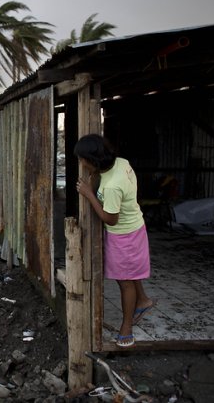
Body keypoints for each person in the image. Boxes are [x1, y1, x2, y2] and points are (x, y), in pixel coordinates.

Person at [74, 134, 156, 348]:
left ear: (92, 159)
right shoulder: (121, 162)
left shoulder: (111, 187)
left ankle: (126, 328)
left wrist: (89, 194)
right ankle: (143, 300)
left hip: (124, 235)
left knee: (125, 282)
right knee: (130, 272)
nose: (81, 163)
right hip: (135, 225)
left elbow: (110, 219)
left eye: (82, 159)